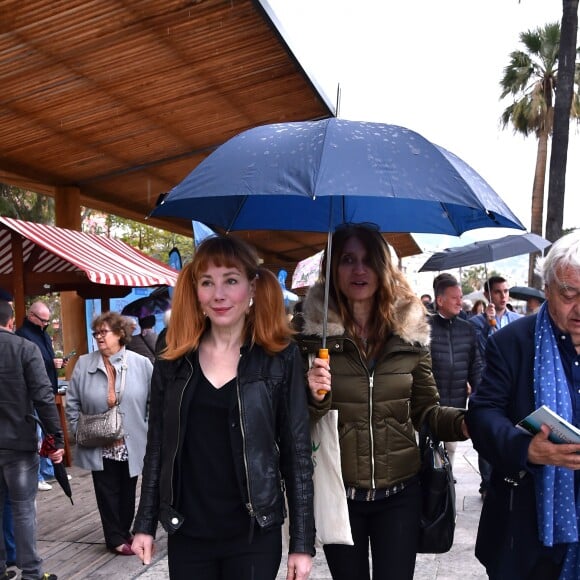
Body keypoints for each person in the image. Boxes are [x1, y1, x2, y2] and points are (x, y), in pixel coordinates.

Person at [132, 235, 314, 580]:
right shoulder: (172, 354)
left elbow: (298, 454)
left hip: (253, 534)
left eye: (231, 280)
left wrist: (302, 543)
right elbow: (157, 445)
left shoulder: (280, 356)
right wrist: (144, 523)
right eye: (207, 282)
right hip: (188, 533)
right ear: (195, 290)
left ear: (252, 287)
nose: (219, 294)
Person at [298, 223, 468, 580]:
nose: (359, 270)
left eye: (368, 260)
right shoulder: (310, 338)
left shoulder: (409, 335)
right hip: (339, 496)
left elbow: (427, 410)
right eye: (347, 260)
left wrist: (466, 422)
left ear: (383, 269)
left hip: (401, 494)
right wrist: (311, 396)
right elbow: (294, 421)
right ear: (331, 269)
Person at [466, 231, 580, 580]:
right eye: (569, 294)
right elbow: (482, 415)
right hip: (525, 527)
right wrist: (526, 449)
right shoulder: (512, 342)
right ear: (547, 289)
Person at [65, 312, 153, 556]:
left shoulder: (141, 363)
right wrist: (77, 430)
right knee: (106, 490)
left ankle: (124, 530)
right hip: (98, 440)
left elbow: (152, 403)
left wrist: (147, 431)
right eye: (96, 333)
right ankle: (113, 537)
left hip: (132, 440)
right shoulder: (84, 363)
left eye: (104, 332)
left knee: (128, 488)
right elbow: (72, 403)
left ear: (120, 334)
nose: (99, 337)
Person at [0, 299, 63, 580]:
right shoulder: (25, 348)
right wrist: (56, 438)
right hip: (19, 442)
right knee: (23, 509)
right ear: (11, 321)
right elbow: (43, 396)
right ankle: (31, 573)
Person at [469, 276, 522, 498]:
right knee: (488, 429)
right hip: (486, 382)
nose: (503, 296)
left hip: (513, 384)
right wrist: (489, 326)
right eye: (498, 292)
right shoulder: (476, 323)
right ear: (488, 294)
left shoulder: (518, 320)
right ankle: (487, 482)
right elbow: (481, 352)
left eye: (506, 291)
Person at [428, 275, 484, 466]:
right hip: (431, 404)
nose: (461, 301)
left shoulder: (467, 329)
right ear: (440, 300)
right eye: (455, 298)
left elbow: (475, 366)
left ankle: (447, 489)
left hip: (457, 404)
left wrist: (481, 395)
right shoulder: (425, 328)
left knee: (451, 450)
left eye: (461, 297)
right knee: (430, 453)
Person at [15, 302, 62, 491]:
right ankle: (38, 475)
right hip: (34, 394)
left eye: (48, 320)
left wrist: (55, 363)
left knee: (46, 434)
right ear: (31, 316)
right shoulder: (23, 336)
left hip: (46, 388)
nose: (46, 324)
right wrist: (51, 363)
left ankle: (48, 471)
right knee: (39, 435)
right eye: (43, 320)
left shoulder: (42, 333)